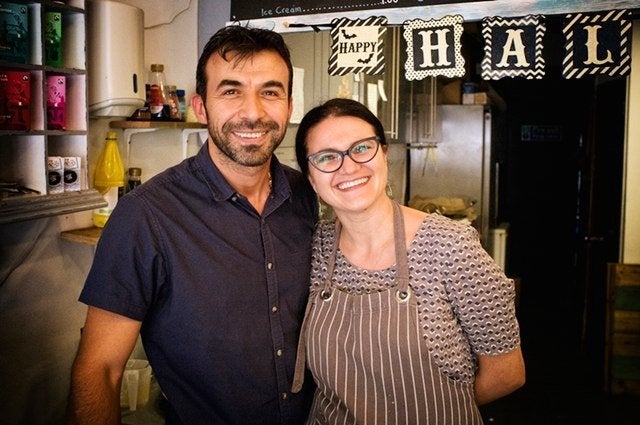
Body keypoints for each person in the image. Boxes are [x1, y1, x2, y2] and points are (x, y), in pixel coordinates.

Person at [66, 25, 318, 425]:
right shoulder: (145, 216)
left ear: (289, 105)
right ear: (201, 107)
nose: (252, 112)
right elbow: (100, 369)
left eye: (270, 91)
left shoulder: (306, 194)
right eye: (231, 90)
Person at [291, 98, 525, 424]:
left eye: (361, 148)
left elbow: (507, 372)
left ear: (385, 154)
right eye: (327, 157)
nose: (348, 167)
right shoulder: (315, 247)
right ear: (311, 178)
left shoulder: (450, 246)